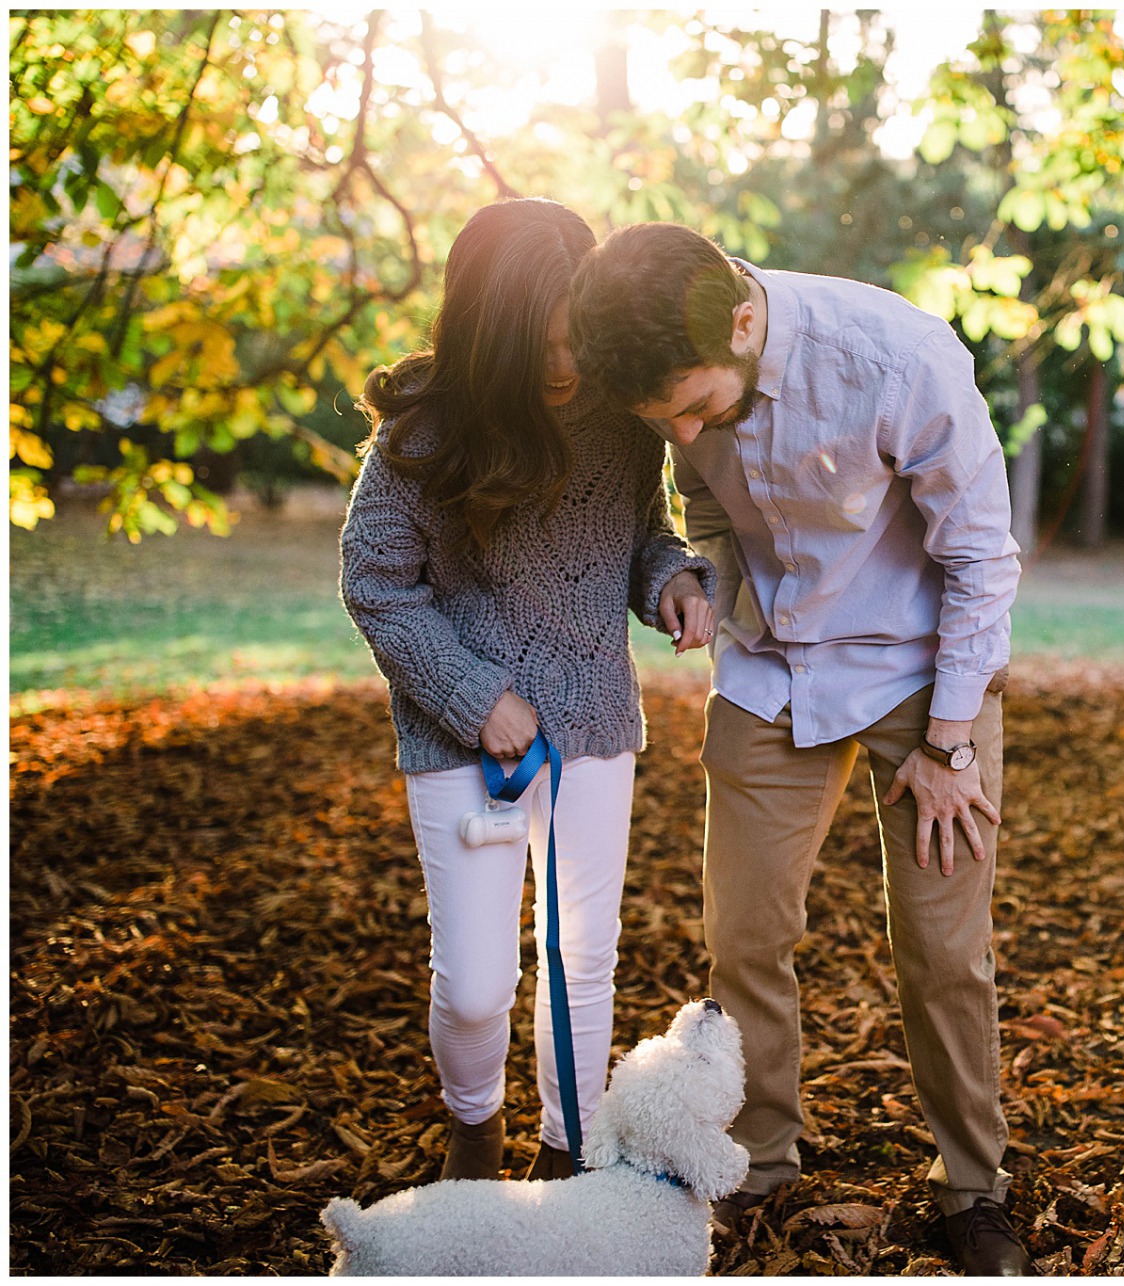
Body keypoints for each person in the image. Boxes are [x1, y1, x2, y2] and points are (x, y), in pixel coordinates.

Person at [568, 223, 1028, 1274]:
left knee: (945, 946)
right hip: (772, 671)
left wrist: (951, 741)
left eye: (694, 404)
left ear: (742, 317)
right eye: (665, 418)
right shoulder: (676, 379)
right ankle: (761, 1162)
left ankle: (973, 1183)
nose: (684, 428)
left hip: (925, 677)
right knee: (745, 936)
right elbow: (710, 513)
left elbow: (982, 562)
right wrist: (696, 580)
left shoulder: (900, 358)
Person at [339, 198, 715, 1185]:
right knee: (475, 984)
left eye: (573, 337)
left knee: (583, 958)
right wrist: (473, 697)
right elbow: (376, 584)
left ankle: (567, 1154)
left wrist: (671, 582)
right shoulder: (421, 439)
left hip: (593, 720)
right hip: (465, 744)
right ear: (488, 330)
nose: (564, 364)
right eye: (540, 341)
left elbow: (643, 537)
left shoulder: (623, 421)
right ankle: (476, 1130)